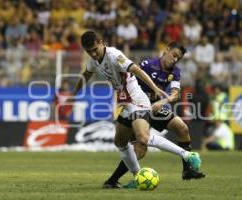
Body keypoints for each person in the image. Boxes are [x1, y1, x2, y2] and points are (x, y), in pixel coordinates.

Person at [71, 30, 201, 187]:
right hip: (126, 102)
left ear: (100, 43)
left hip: (138, 99)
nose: (92, 54)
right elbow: (85, 75)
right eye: (88, 51)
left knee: (144, 138)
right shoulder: (94, 61)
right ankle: (136, 176)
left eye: (94, 49)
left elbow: (135, 70)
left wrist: (154, 88)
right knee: (120, 142)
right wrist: (73, 94)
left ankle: (187, 154)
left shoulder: (114, 55)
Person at [103, 42, 205, 189]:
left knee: (181, 127)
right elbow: (128, 81)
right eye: (174, 55)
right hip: (137, 107)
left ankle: (187, 170)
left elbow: (175, 95)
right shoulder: (147, 65)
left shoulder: (175, 72)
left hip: (155, 108)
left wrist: (164, 101)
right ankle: (113, 180)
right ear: (167, 49)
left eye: (179, 58)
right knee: (140, 149)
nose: (175, 60)